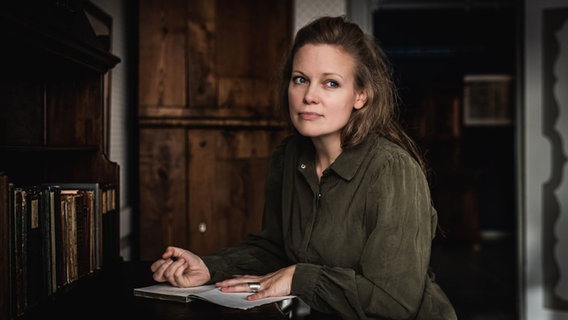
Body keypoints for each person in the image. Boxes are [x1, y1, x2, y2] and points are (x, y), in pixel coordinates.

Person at [150, 15, 457, 319]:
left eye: (331, 83)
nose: (309, 96)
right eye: (300, 79)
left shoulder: (392, 170)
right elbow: (275, 249)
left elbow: (395, 301)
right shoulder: (287, 156)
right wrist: (209, 267)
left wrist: (300, 277)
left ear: (361, 96)